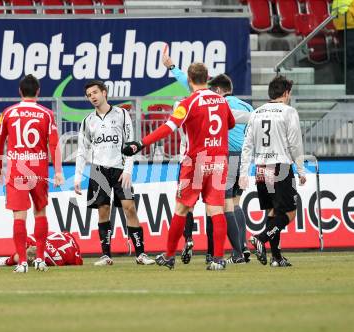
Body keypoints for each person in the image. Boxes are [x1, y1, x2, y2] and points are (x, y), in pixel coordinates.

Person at [123, 63, 235, 270]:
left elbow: (169, 127)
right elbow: (231, 124)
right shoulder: (221, 100)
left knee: (182, 209)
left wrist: (141, 144)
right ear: (208, 77)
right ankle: (218, 259)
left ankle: (169, 255)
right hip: (220, 160)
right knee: (216, 210)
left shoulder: (188, 102)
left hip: (195, 162)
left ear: (190, 80)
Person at [162, 54, 253, 265]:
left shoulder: (215, 101)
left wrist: (173, 67)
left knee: (206, 206)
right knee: (233, 205)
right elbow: (250, 125)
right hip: (241, 157)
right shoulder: (246, 106)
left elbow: (193, 87)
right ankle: (240, 248)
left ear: (218, 90)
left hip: (215, 155)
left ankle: (209, 249)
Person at [74, 80, 155, 266]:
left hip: (120, 168)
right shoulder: (88, 121)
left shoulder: (122, 114)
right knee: (103, 211)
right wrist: (78, 177)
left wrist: (127, 170)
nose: (92, 97)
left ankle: (141, 254)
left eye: (95, 92)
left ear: (104, 92)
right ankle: (106, 255)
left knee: (130, 208)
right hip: (98, 171)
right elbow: (82, 150)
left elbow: (131, 144)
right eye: (89, 95)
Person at [0, 74, 64, 274]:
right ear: (38, 92)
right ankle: (40, 260)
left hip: (17, 169)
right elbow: (54, 144)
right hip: (39, 169)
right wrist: (58, 171)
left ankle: (22, 262)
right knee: (40, 212)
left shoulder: (8, 112)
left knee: (19, 216)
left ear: (20, 91)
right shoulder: (47, 114)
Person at [239, 75, 306, 267]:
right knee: (290, 213)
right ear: (285, 93)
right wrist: (301, 170)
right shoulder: (288, 112)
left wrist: (244, 173)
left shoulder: (256, 113)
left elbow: (247, 146)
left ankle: (276, 258)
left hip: (261, 168)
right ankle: (261, 238)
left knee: (272, 212)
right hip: (281, 168)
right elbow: (295, 144)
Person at [0, 232, 83, 267]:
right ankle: (5, 261)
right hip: (67, 238)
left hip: (68, 242)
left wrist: (8, 261)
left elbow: (77, 262)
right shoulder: (30, 240)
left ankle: (5, 261)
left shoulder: (55, 260)